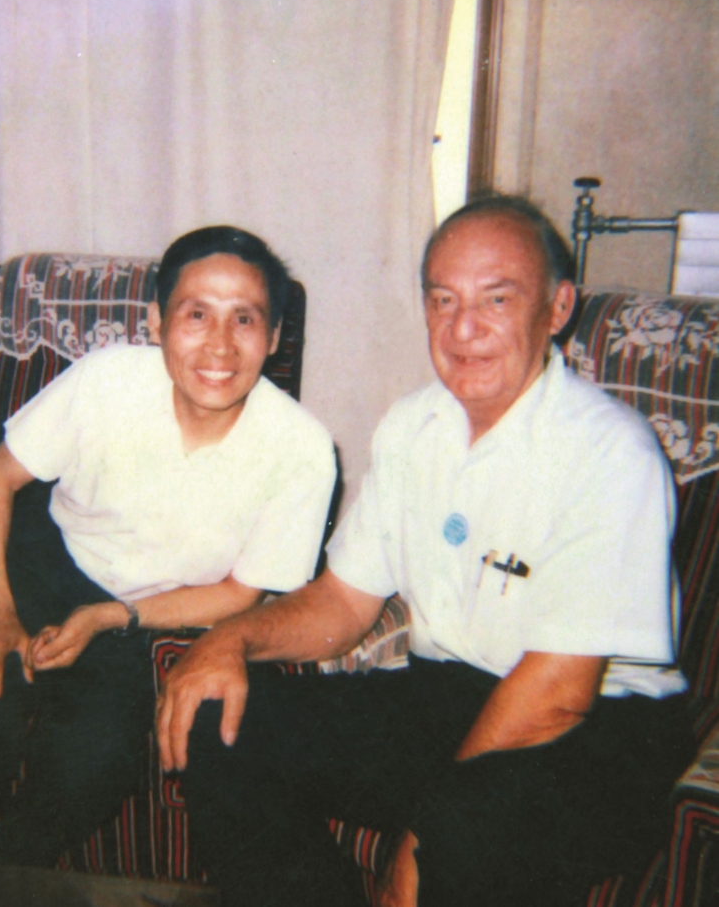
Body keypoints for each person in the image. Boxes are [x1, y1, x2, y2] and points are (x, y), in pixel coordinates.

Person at [156, 197, 694, 907]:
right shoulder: (414, 427)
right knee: (222, 721)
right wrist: (230, 640)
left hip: (596, 729)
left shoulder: (610, 451)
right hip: (448, 696)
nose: (463, 328)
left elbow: (560, 692)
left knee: (462, 835)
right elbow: (343, 602)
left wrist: (423, 834)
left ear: (558, 307)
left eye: (496, 299)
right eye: (443, 300)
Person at [0, 226, 337, 865]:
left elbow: (240, 592)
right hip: (50, 559)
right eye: (196, 315)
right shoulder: (108, 378)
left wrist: (110, 616)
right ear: (156, 323)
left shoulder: (303, 450)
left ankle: (7, 876)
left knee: (97, 758)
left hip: (146, 614)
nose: (220, 344)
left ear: (275, 336)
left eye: (244, 319)